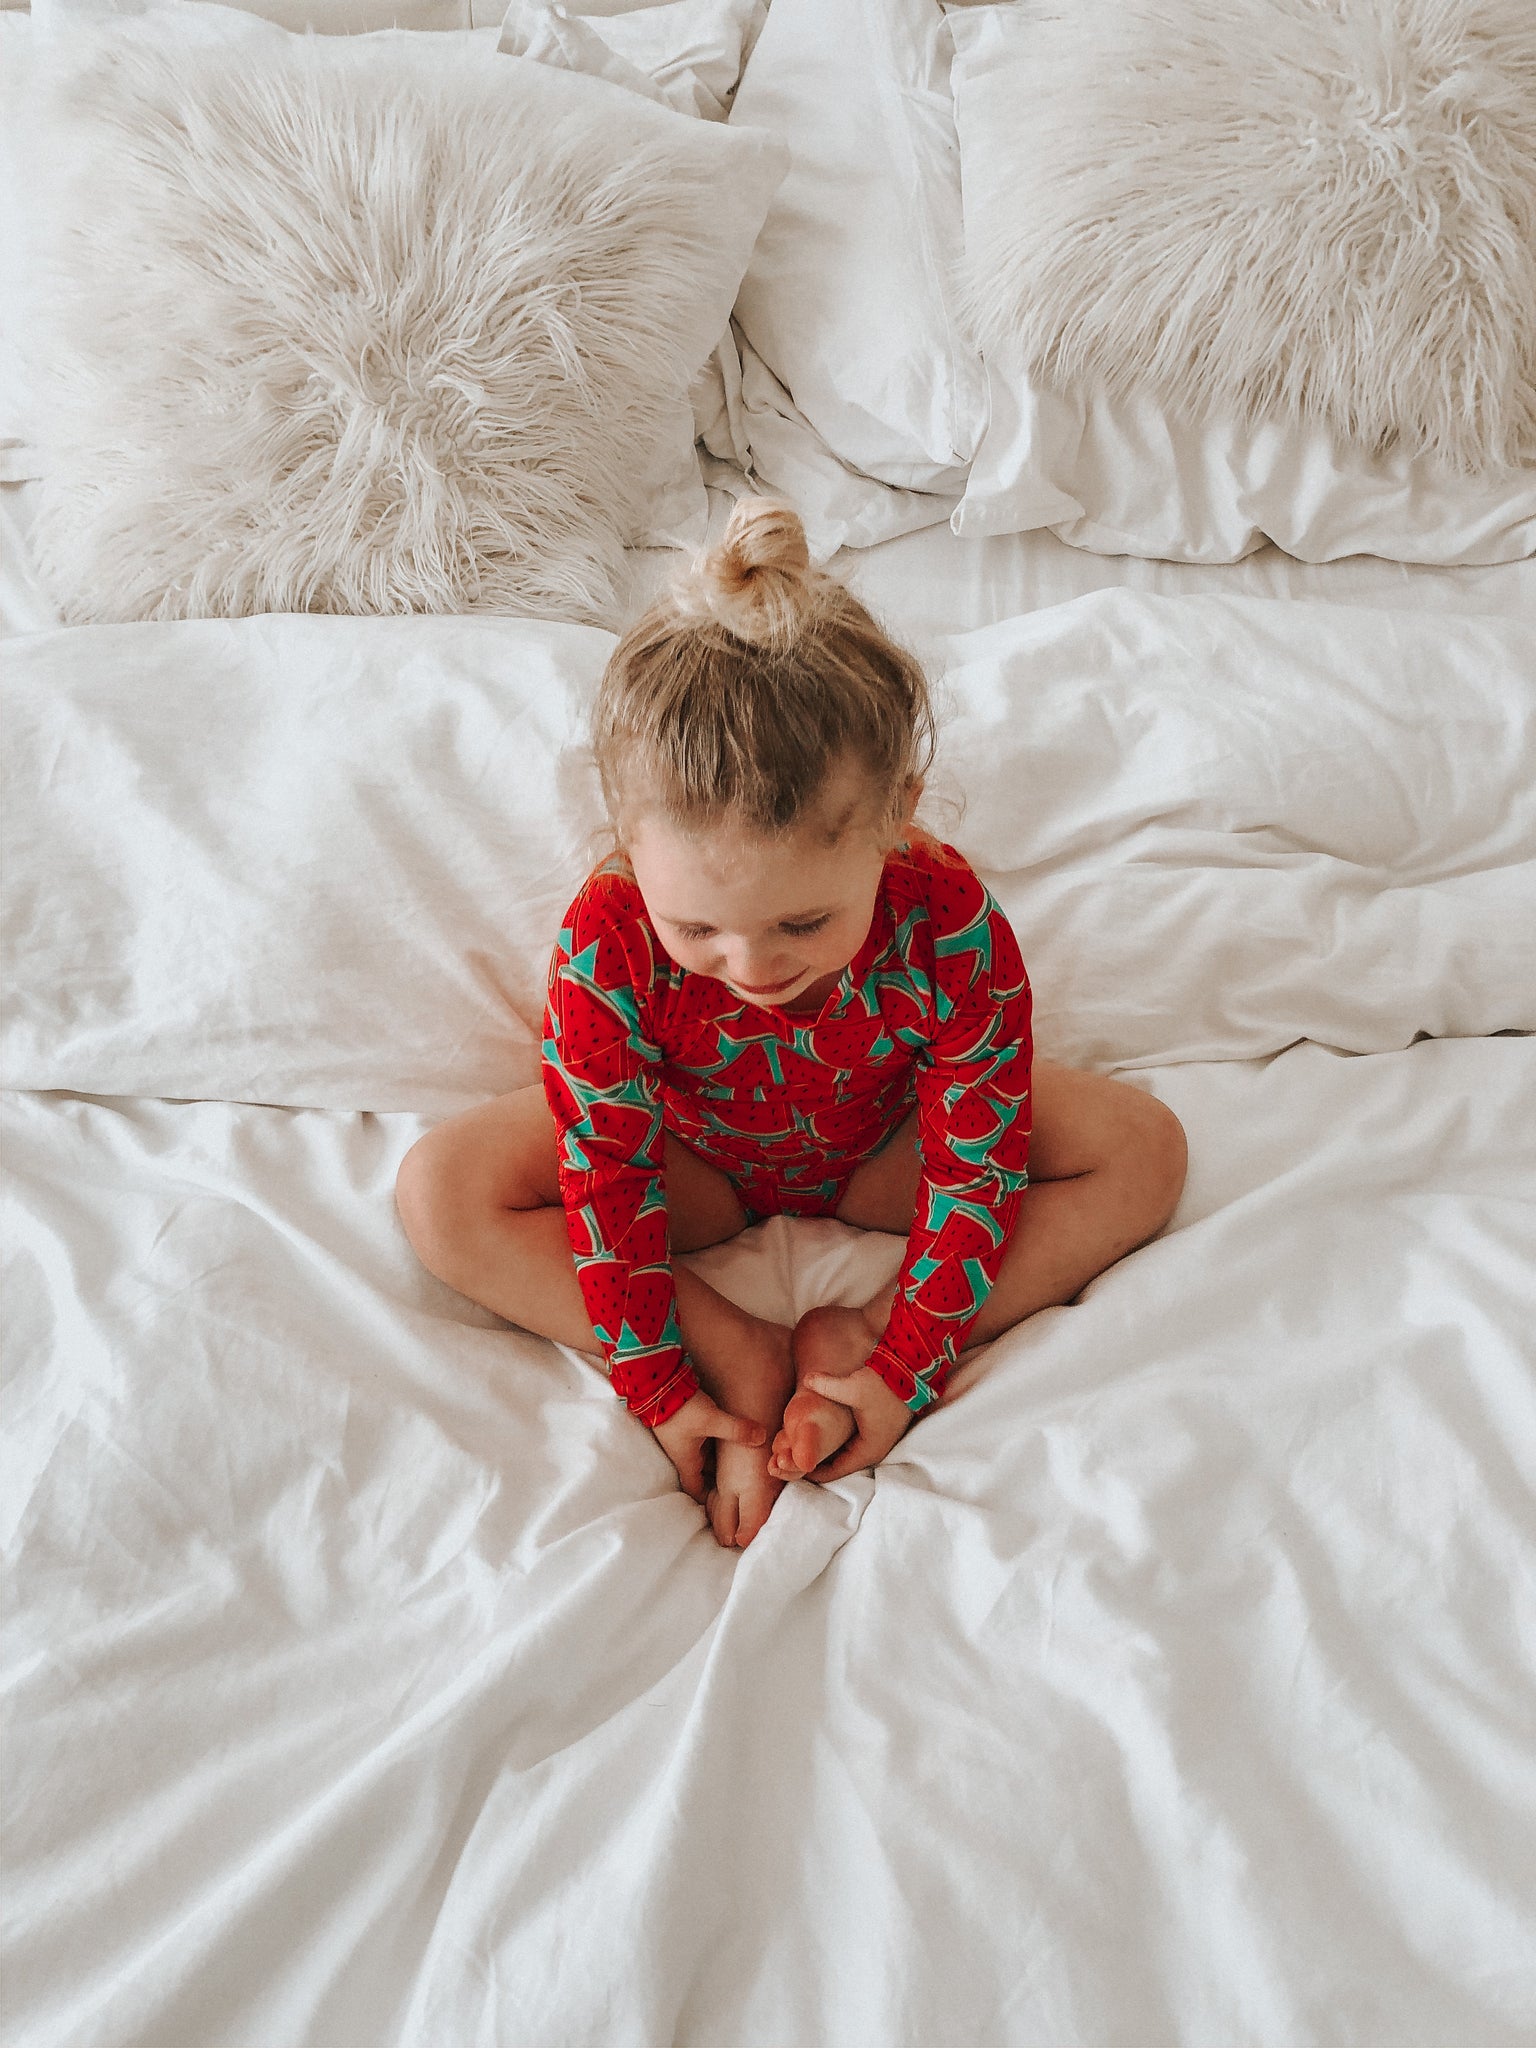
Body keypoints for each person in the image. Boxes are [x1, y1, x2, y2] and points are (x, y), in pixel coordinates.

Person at [396, 498, 1187, 1549]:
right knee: (439, 1191)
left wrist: (901, 1358)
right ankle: (730, 1331)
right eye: (699, 927)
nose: (755, 966)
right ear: (629, 843)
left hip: (881, 1150)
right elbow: (610, 1171)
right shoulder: (608, 939)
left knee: (1145, 1149)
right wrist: (668, 1378)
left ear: (895, 818)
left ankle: (861, 1321)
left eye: (804, 920)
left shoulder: (948, 921)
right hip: (694, 1166)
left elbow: (976, 1157)